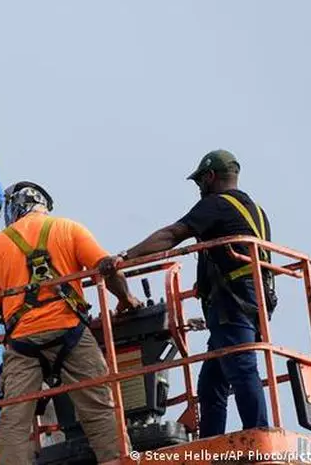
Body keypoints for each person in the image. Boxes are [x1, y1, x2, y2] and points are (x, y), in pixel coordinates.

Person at [0, 181, 139, 465]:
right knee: (100, 406)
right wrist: (127, 299)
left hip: (23, 342)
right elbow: (107, 268)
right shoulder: (69, 228)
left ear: (15, 209)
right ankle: (118, 460)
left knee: (14, 417)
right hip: (70, 333)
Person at [118, 149, 272, 438]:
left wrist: (126, 257)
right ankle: (210, 441)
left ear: (210, 177)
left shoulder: (216, 205)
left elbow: (172, 235)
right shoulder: (255, 210)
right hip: (253, 301)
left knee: (240, 366)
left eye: (200, 181)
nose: (199, 188)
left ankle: (259, 433)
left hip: (232, 302)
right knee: (212, 382)